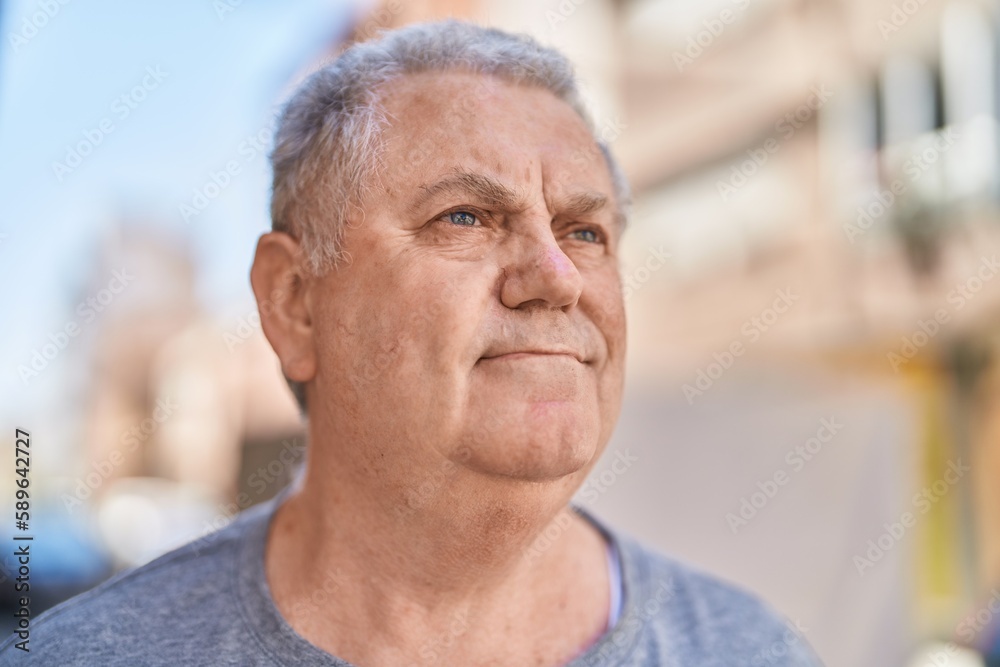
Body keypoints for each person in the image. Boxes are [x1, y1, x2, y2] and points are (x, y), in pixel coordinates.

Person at [1, 20, 821, 666]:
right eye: (463, 216)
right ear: (294, 304)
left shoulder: (751, 649)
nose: (557, 275)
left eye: (585, 230)